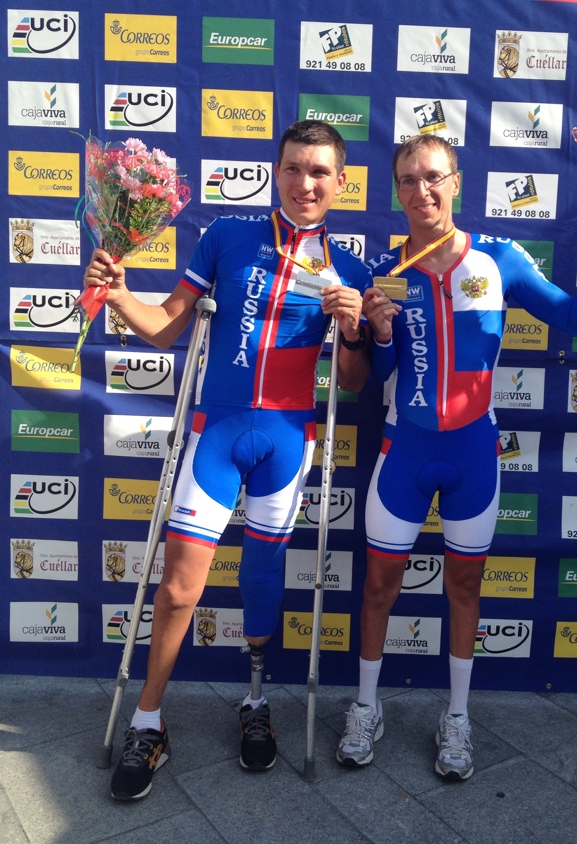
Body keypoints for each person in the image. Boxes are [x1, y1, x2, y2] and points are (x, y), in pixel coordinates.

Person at [336, 134, 577, 781]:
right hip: (405, 449)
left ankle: (457, 716)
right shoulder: (382, 271)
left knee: (465, 587)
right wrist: (377, 332)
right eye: (408, 179)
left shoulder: (499, 258)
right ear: (395, 190)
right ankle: (365, 705)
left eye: (433, 176)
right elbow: (377, 376)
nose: (422, 190)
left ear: (455, 182)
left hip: (473, 453)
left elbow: (574, 319)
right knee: (377, 587)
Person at [84, 121, 372, 800]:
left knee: (262, 577)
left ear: (340, 182)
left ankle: (255, 701)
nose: (305, 183)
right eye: (294, 168)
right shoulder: (227, 237)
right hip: (216, 432)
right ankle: (148, 721)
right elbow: (166, 326)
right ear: (277, 171)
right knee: (178, 588)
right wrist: (117, 292)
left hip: (288, 442)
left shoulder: (351, 270)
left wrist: (354, 327)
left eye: (320, 172)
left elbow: (354, 382)